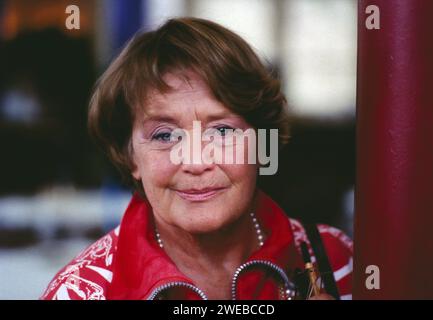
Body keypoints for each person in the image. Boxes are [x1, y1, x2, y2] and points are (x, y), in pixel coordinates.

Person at [41, 17, 353, 300]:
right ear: (130, 156)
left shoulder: (338, 260)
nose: (196, 162)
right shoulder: (79, 293)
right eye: (164, 136)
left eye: (221, 131)